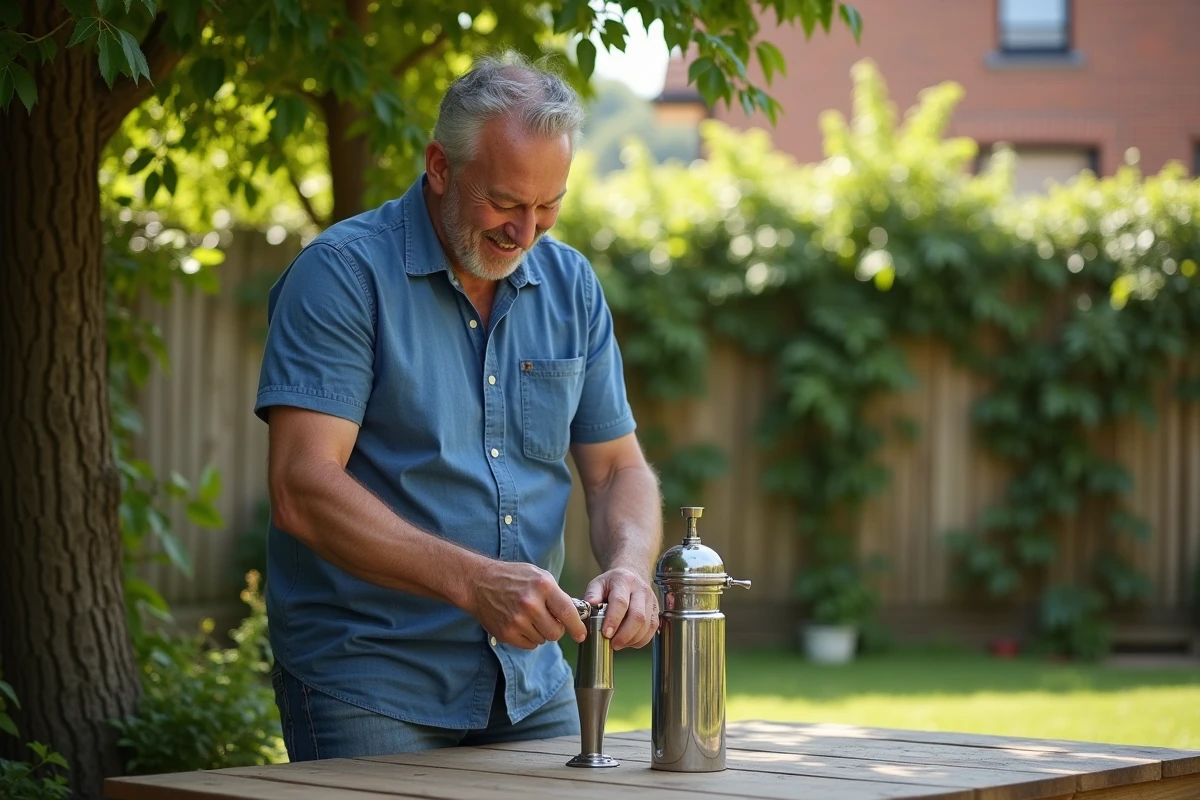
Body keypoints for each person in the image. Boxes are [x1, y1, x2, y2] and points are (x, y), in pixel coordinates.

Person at [253, 51, 663, 762]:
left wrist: (629, 564)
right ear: (440, 166)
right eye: (505, 203)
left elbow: (616, 469)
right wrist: (475, 582)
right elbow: (302, 487)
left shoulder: (571, 286)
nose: (526, 231)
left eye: (548, 205)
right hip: (369, 678)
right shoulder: (342, 276)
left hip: (533, 685)